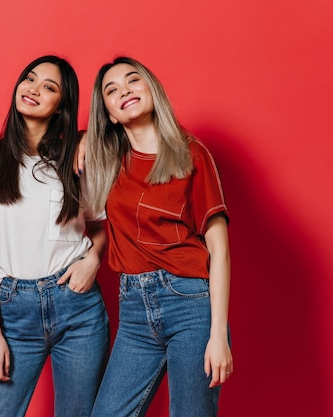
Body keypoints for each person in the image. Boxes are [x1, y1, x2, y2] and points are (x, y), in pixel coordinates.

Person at [0, 55, 110, 417]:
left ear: (61, 106)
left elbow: (97, 226)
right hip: (15, 311)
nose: (34, 89)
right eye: (30, 79)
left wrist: (94, 259)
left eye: (49, 87)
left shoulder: (77, 163)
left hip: (78, 307)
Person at [83, 57, 233, 417]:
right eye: (112, 90)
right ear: (110, 114)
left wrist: (218, 335)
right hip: (134, 310)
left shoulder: (191, 154)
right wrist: (84, 138)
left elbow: (220, 250)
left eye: (133, 81)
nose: (125, 91)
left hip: (191, 304)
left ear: (152, 89)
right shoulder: (107, 162)